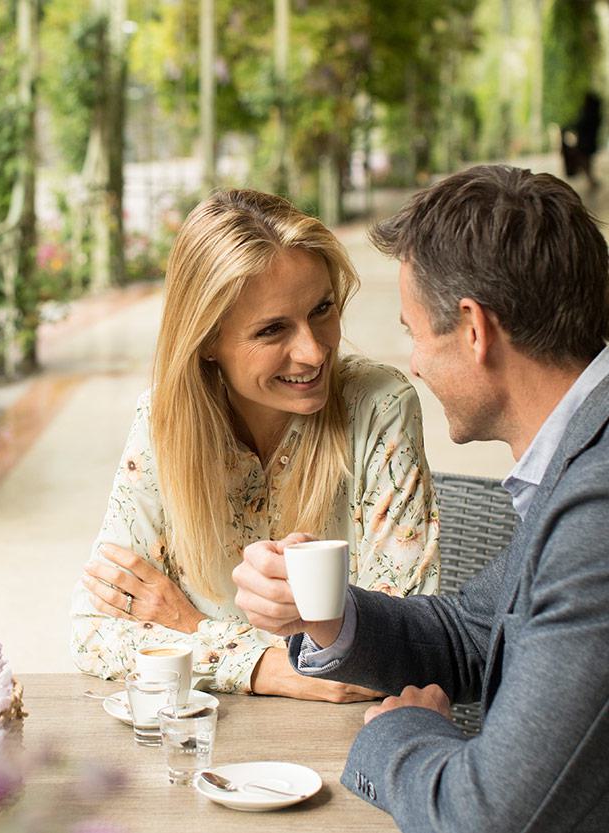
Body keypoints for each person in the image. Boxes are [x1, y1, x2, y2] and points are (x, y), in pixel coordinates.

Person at [233, 165, 609, 830]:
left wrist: (399, 732)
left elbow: (489, 816)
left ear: (473, 329)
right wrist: (327, 617)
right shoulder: (581, 455)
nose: (413, 365)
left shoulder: (597, 510)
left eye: (414, 332)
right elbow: (472, 630)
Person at [70, 189, 440, 699]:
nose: (313, 352)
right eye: (272, 330)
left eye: (322, 309)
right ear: (206, 342)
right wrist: (276, 667)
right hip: (201, 750)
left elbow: (400, 652)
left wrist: (189, 625)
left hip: (344, 750)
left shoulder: (379, 407)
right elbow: (93, 634)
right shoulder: (162, 422)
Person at [561, 91, 602, 189]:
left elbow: (578, 125)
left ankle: (591, 181)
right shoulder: (596, 115)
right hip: (589, 143)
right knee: (586, 162)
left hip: (584, 144)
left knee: (585, 162)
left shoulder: (587, 115)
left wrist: (566, 127)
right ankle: (591, 181)